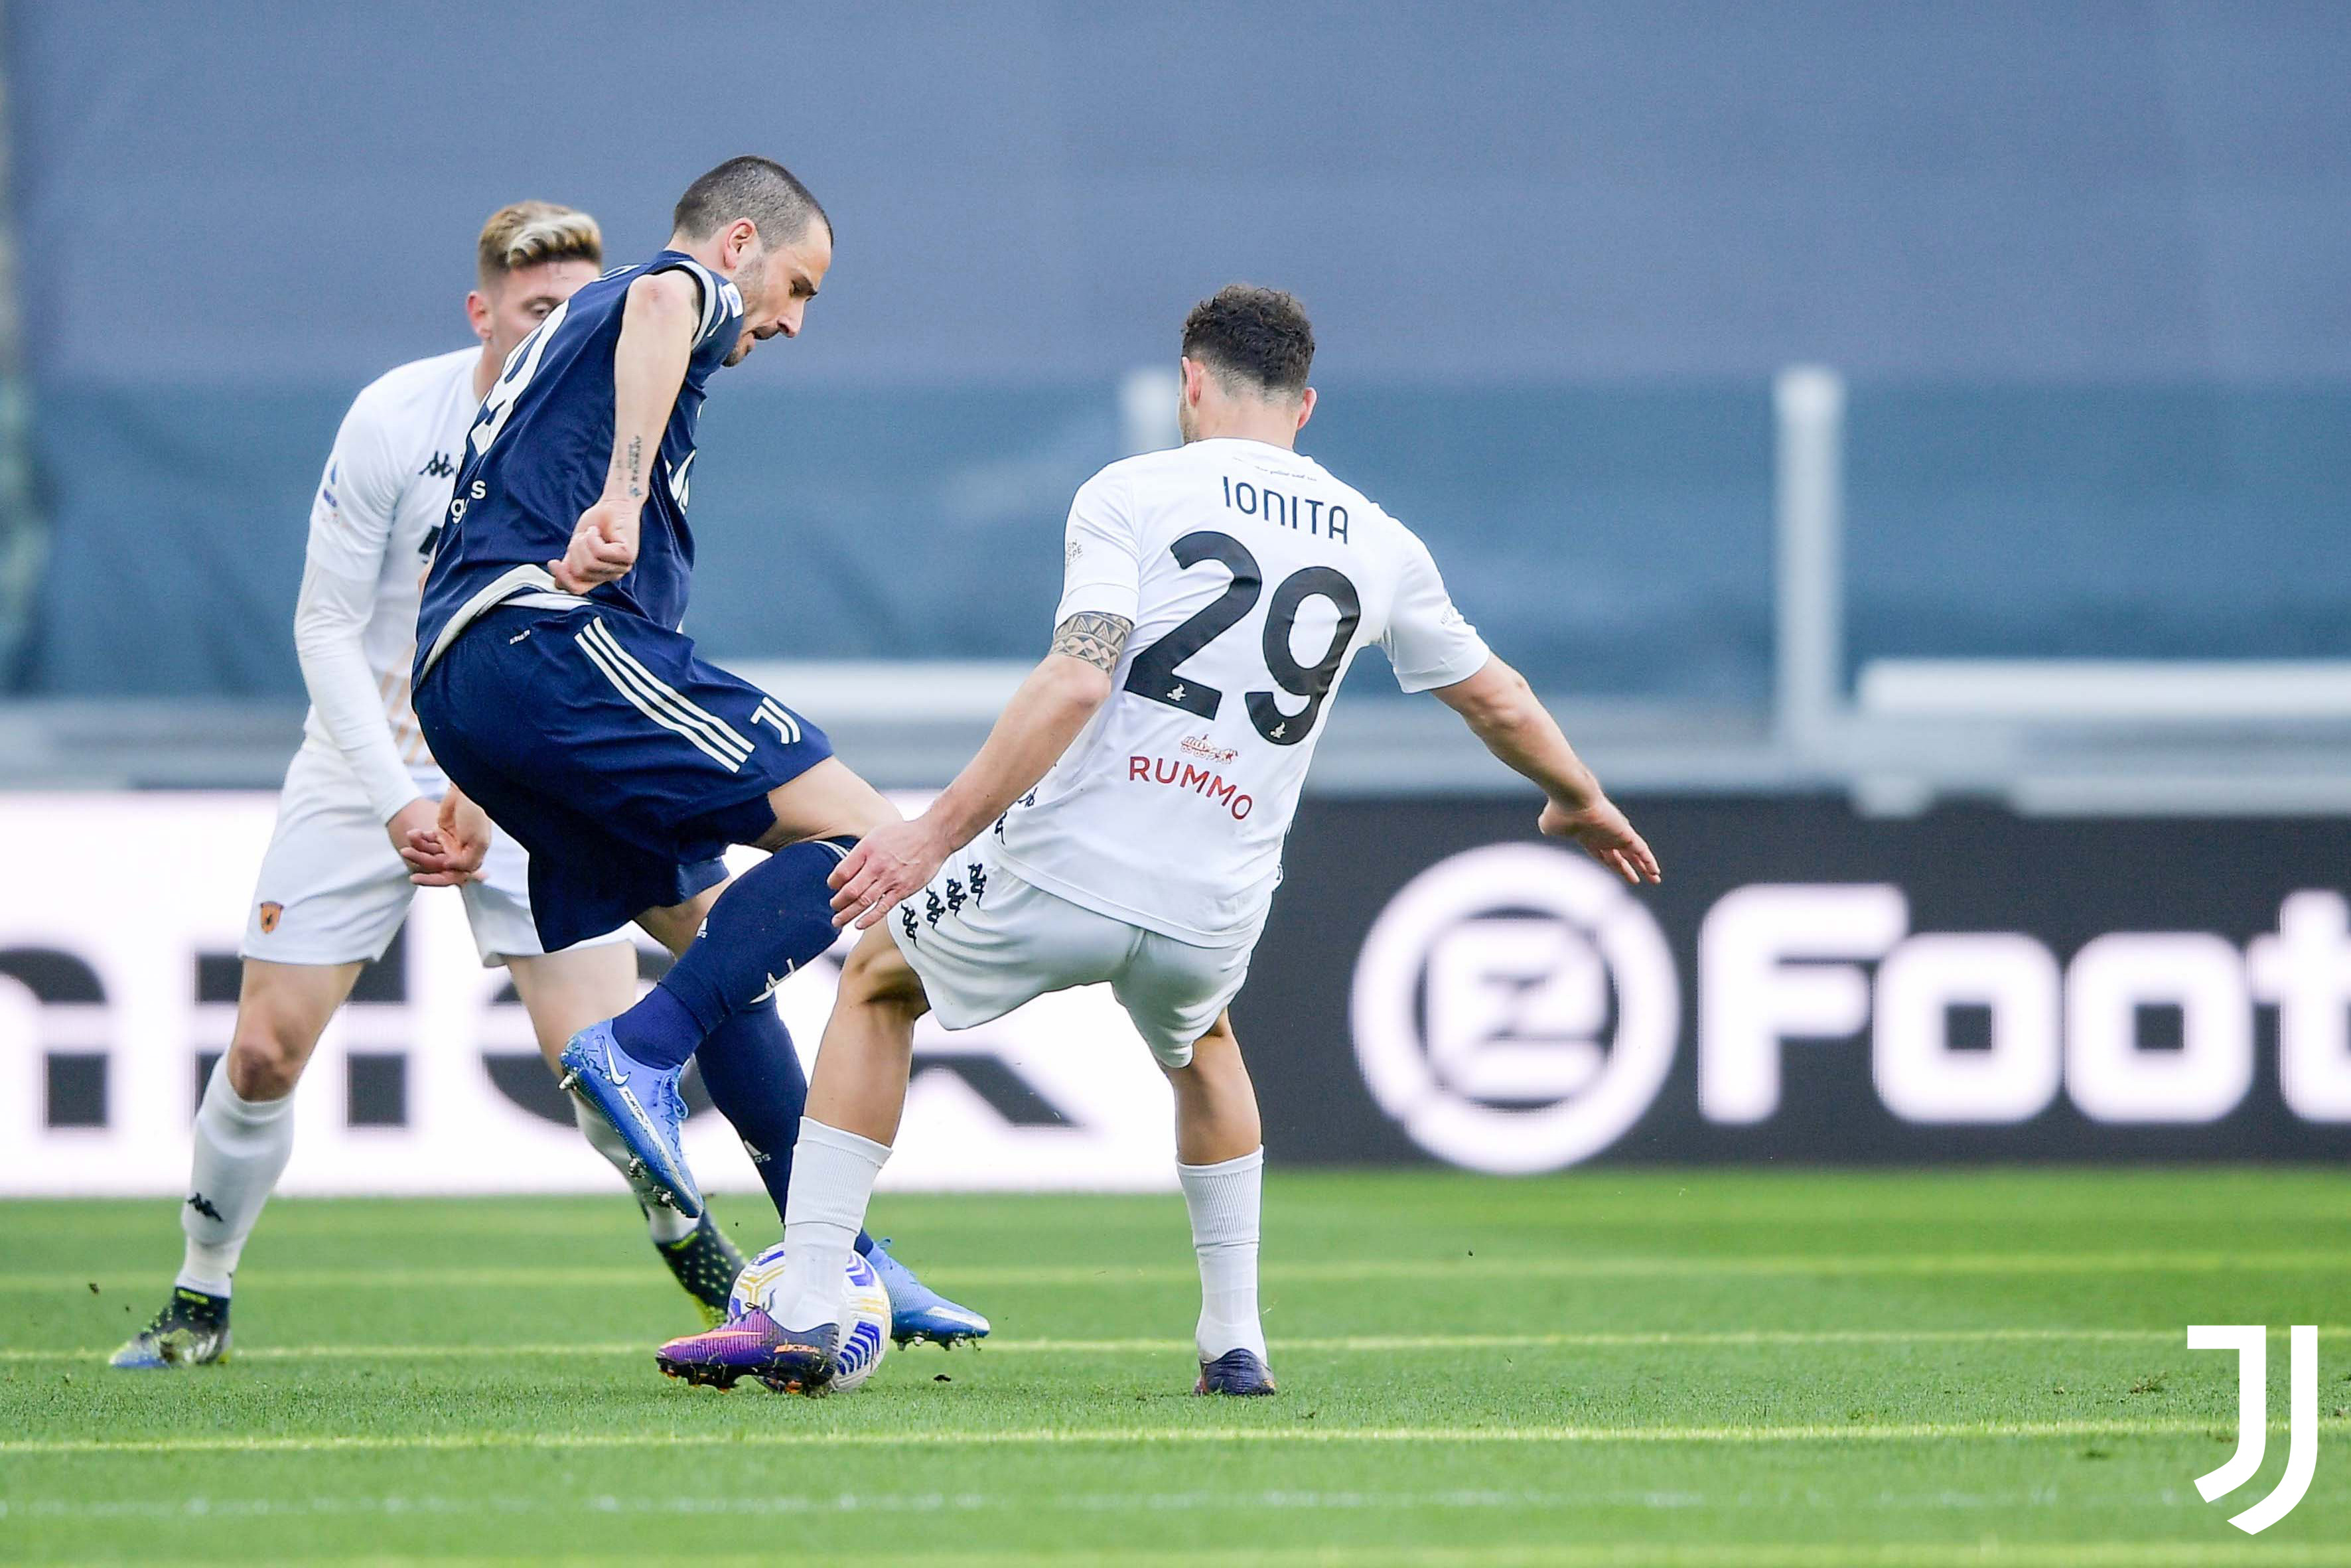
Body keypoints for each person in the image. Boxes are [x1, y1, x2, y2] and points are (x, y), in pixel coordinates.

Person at [654, 285, 1662, 1395]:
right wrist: (1580, 796)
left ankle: (803, 1307)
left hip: (1068, 863)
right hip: (1215, 899)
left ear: (1191, 382)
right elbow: (1500, 699)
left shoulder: (1133, 492)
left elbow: (1081, 675)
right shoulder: (1380, 542)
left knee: (882, 979)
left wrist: (935, 832)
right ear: (1306, 405)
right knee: (1205, 1045)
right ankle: (1236, 1342)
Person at [112, 203, 751, 1370]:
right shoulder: (397, 416)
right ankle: (199, 1299)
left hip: (527, 767)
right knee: (263, 1051)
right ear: (482, 312)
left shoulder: (626, 429)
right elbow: (325, 624)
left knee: (610, 1076)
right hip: (370, 763)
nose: (559, 327)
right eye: (533, 310)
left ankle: (690, 1235)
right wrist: (400, 796)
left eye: (578, 307)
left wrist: (483, 790)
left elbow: (613, 634)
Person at [401, 156, 985, 1346]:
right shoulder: (672, 290)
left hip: (478, 679)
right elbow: (674, 301)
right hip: (542, 645)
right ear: (740, 244)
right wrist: (621, 494)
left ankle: (831, 1257)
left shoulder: (572, 348)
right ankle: (640, 1048)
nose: (792, 320)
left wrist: (470, 766)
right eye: (798, 285)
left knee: (713, 936)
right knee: (876, 837)